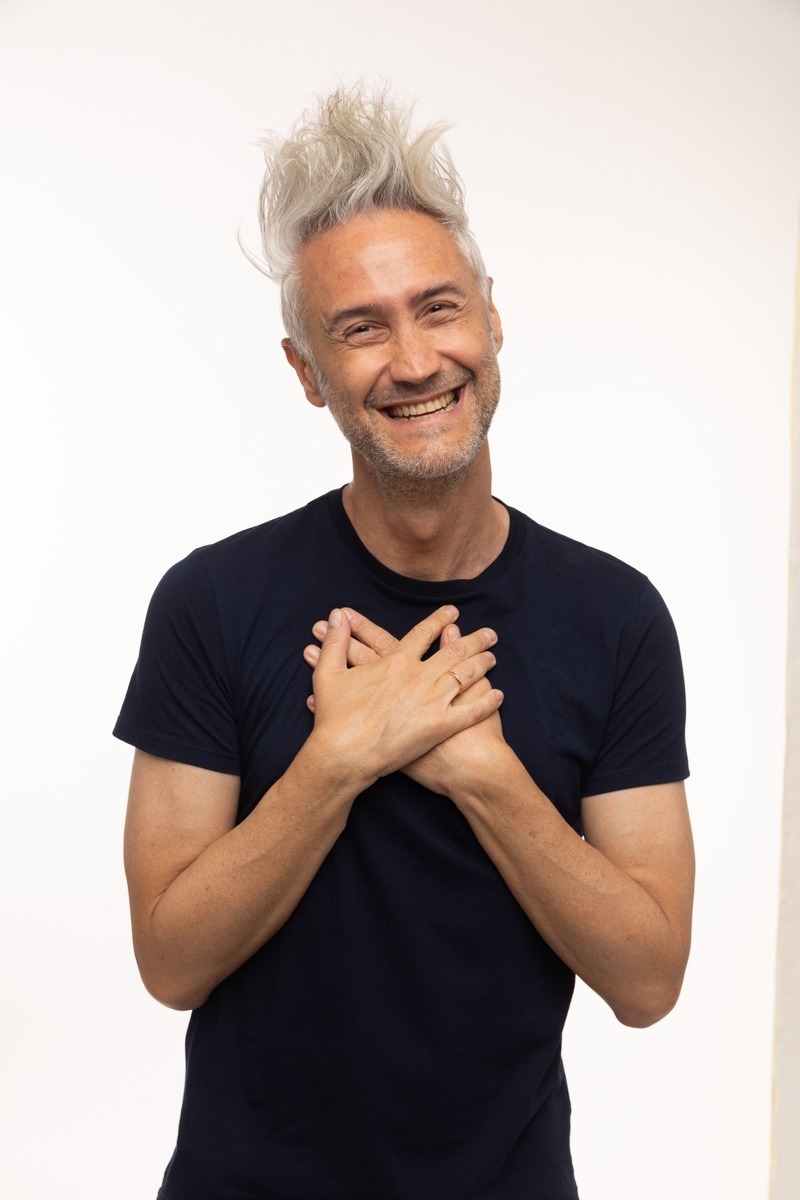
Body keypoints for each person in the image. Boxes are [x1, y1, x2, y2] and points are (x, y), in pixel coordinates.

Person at [115, 84, 694, 1200]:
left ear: (492, 318)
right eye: (361, 328)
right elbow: (170, 961)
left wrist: (484, 775)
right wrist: (339, 759)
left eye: (438, 308)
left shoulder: (616, 616)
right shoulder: (212, 600)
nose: (416, 360)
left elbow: (648, 978)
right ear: (306, 371)